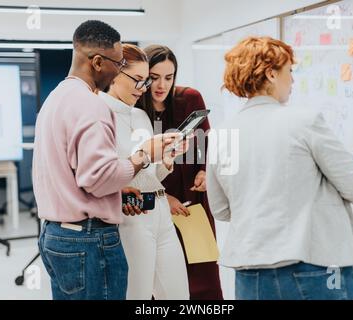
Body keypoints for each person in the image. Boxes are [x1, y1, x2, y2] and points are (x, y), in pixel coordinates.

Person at [206, 36, 353, 300]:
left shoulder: (222, 133)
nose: (292, 80)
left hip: (250, 273)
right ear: (271, 74)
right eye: (289, 71)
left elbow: (221, 209)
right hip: (313, 266)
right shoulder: (304, 121)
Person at [32, 20, 178, 300]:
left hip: (57, 235)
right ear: (98, 62)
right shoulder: (92, 105)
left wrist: (120, 190)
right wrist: (144, 155)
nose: (118, 70)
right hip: (88, 240)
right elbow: (99, 180)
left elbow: (69, 171)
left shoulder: (56, 98)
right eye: (118, 62)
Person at [98, 43, 190, 299]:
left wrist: (167, 158)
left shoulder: (140, 115)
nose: (144, 88)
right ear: (115, 74)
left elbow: (151, 176)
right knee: (136, 295)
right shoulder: (97, 112)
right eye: (138, 80)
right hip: (133, 214)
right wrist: (143, 155)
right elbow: (105, 174)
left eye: (145, 81)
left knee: (178, 295)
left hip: (161, 211)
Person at [137, 45, 223, 300]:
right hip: (154, 202)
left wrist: (205, 172)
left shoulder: (190, 99)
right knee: (161, 279)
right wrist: (165, 198)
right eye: (154, 77)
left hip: (192, 201)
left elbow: (206, 144)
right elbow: (135, 165)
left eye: (169, 77)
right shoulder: (136, 110)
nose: (161, 85)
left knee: (203, 271)